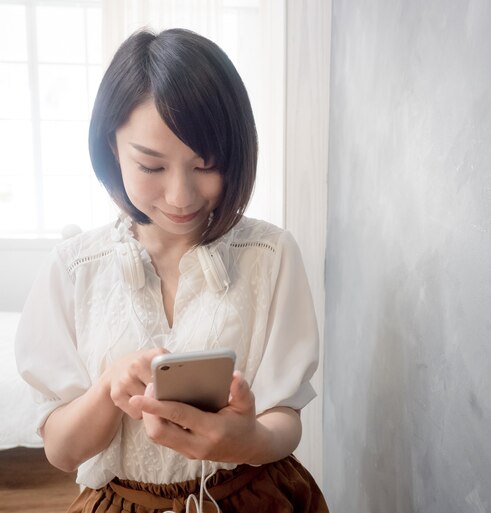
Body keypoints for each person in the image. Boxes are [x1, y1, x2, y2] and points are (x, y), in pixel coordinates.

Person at [15, 28, 328, 513]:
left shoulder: (271, 254)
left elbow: (285, 418)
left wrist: (247, 440)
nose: (181, 196)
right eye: (152, 167)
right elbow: (62, 451)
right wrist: (108, 389)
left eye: (206, 165)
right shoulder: (74, 270)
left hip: (253, 497)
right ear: (112, 149)